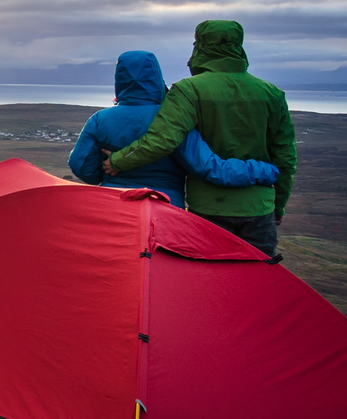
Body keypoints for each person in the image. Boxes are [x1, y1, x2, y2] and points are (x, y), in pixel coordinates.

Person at [106, 20, 295, 257]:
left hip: (209, 209)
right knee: (256, 286)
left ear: (201, 47)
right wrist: (279, 205)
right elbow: (285, 158)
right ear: (239, 46)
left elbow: (162, 139)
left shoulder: (188, 90)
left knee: (209, 285)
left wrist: (117, 162)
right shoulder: (272, 93)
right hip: (259, 208)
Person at [68, 51, 187, 206]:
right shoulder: (175, 117)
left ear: (119, 78)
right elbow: (196, 163)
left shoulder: (100, 119)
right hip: (167, 203)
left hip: (114, 202)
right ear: (157, 76)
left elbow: (81, 166)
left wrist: (106, 174)